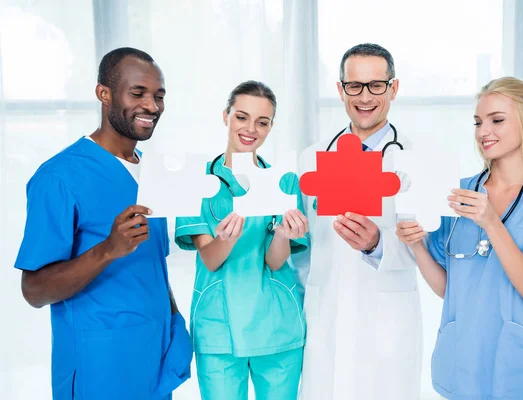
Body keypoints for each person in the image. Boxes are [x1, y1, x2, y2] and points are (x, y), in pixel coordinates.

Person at [14, 47, 192, 400]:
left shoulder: (153, 174)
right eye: (138, 93)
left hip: (154, 358)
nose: (152, 106)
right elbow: (33, 290)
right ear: (104, 94)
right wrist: (108, 249)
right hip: (101, 364)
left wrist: (174, 321)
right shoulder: (60, 177)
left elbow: (151, 266)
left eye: (159, 96)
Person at [396, 76, 523, 399]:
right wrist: (417, 247)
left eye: (497, 120)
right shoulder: (457, 192)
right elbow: (449, 289)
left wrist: (492, 223)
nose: (483, 132)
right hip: (465, 365)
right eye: (478, 122)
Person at [294, 43, 422, 400]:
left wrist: (377, 244)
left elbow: (427, 251)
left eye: (376, 85)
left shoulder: (413, 161)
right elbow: (303, 249)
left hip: (387, 316)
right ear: (340, 89)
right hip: (327, 313)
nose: (365, 97)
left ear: (393, 88)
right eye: (354, 86)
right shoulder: (312, 158)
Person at [173, 80, 309, 400]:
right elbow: (210, 257)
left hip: (277, 324)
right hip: (218, 326)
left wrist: (283, 234)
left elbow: (275, 261)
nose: (251, 129)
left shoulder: (284, 181)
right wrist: (228, 239)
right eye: (241, 117)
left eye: (262, 122)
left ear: (271, 127)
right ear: (226, 116)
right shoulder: (198, 180)